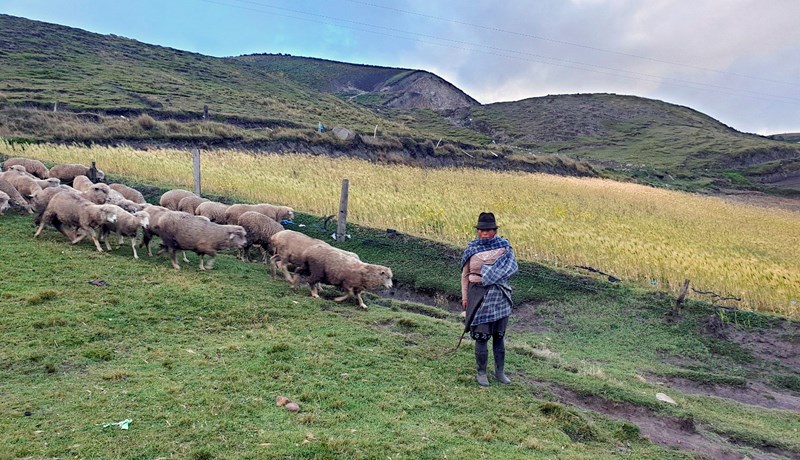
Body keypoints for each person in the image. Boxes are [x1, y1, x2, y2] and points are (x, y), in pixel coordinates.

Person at [460, 212, 518, 387]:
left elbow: (509, 268)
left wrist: (490, 275)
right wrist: (465, 296)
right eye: (481, 230)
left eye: (488, 230)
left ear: (495, 231)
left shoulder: (504, 248)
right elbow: (465, 275)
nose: (484, 233)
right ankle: (482, 372)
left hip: (499, 294)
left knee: (499, 336)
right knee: (481, 335)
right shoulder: (472, 249)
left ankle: (500, 372)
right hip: (477, 294)